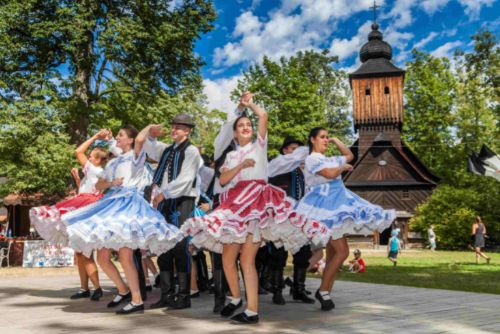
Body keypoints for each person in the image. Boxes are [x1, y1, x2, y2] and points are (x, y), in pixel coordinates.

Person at [182, 92, 317, 324]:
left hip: (256, 201)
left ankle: (252, 311)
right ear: (234, 133)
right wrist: (241, 165)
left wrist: (248, 104)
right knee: (227, 257)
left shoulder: (259, 146)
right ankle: (235, 298)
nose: (245, 127)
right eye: (240, 125)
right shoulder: (232, 155)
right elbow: (223, 180)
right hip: (234, 203)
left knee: (247, 258)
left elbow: (263, 115)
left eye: (248, 125)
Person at [63, 125, 184, 315]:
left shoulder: (136, 157)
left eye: (120, 135)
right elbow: (99, 184)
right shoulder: (113, 162)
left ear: (129, 140)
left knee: (125, 256)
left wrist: (149, 128)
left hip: (129, 205)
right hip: (111, 205)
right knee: (103, 258)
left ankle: (136, 300)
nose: (117, 138)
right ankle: (123, 290)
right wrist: (111, 183)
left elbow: (140, 140)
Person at [293, 127, 395, 311]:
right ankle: (323, 291)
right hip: (325, 206)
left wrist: (336, 140)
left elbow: (349, 156)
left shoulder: (328, 159)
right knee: (342, 252)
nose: (325, 140)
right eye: (322, 137)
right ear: (312, 139)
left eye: (326, 137)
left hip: (338, 202)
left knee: (334, 253)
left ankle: (325, 293)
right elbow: (330, 174)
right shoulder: (312, 159)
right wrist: (342, 168)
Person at [30, 129, 110, 301]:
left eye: (91, 156)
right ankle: (85, 288)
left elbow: (78, 151)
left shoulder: (94, 169)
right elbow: (88, 190)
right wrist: (78, 181)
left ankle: (96, 288)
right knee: (79, 253)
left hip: (85, 212)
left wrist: (95, 137)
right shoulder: (95, 173)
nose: (87, 158)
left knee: (83, 251)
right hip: (88, 210)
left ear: (96, 160)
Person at [142, 115, 202, 310]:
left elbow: (186, 179)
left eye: (179, 127)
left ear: (187, 131)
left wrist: (164, 194)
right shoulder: (167, 150)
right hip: (164, 201)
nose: (174, 130)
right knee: (163, 247)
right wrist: (150, 129)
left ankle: (184, 296)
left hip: (182, 201)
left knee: (180, 246)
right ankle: (166, 295)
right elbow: (147, 145)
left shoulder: (191, 151)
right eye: (173, 126)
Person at [267, 136, 315, 305]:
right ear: (285, 150)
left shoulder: (302, 171)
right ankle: (277, 291)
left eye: (298, 149)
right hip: (280, 217)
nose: (296, 152)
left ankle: (298, 290)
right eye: (292, 149)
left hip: (300, 217)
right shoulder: (277, 165)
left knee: (303, 255)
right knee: (278, 255)